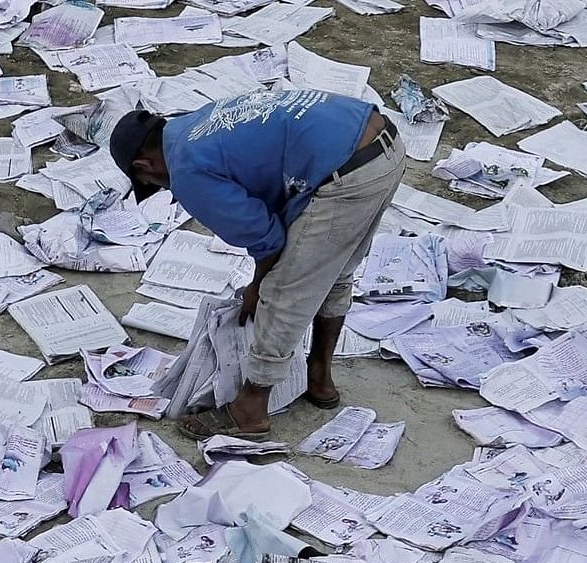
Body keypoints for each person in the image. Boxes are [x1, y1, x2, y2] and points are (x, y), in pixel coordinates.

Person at [110, 88, 401, 440]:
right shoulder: (189, 124)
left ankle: (251, 407)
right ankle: (320, 378)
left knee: (283, 290)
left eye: (151, 184)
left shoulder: (185, 170)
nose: (163, 189)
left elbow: (268, 240)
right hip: (383, 145)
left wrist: (258, 285)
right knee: (334, 271)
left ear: (144, 166)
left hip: (346, 172)